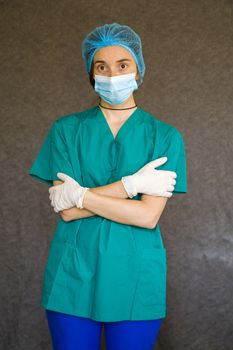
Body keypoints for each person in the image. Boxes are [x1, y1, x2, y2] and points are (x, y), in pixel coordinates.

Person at [28, 22, 188, 350]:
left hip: (136, 275)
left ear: (138, 71)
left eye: (123, 65)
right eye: (101, 66)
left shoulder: (165, 136)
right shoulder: (66, 130)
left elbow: (146, 216)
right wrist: (132, 185)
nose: (112, 75)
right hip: (73, 273)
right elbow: (68, 214)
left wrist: (81, 195)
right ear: (91, 73)